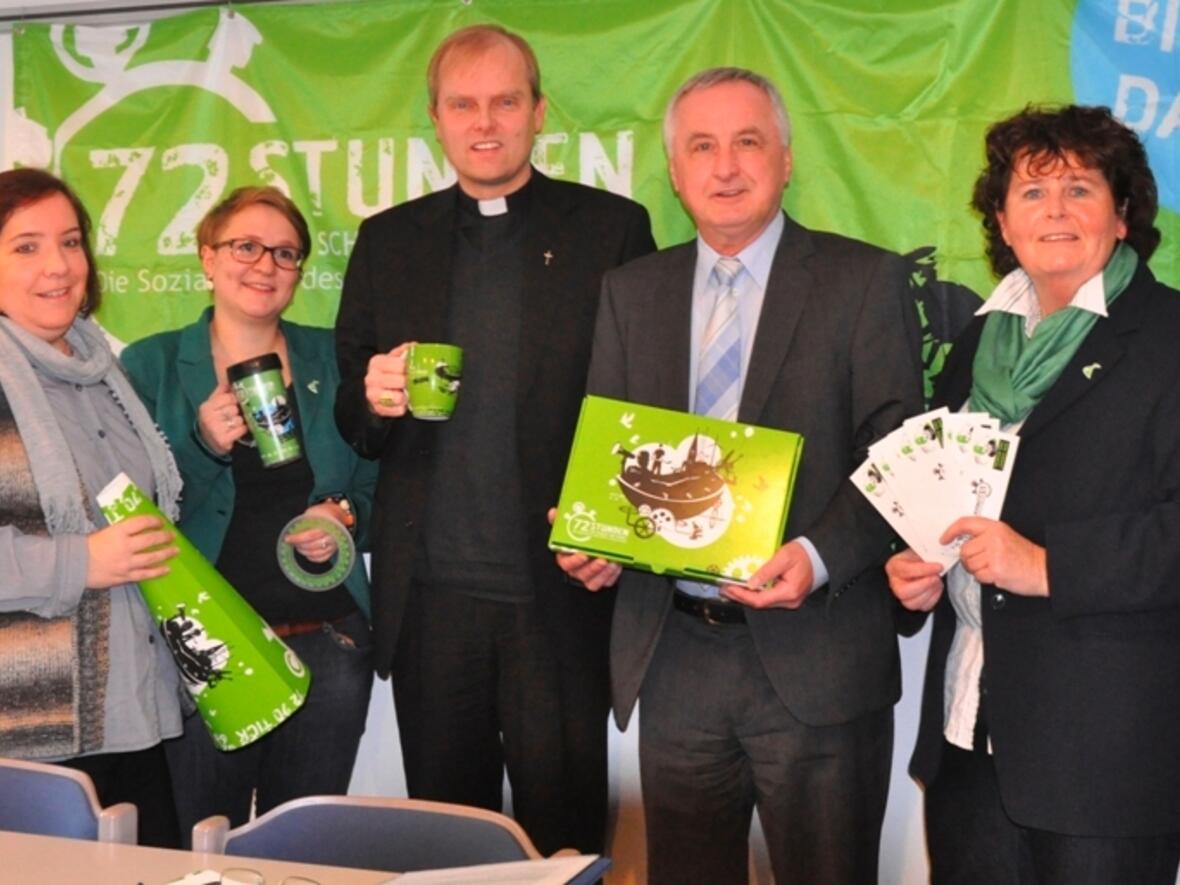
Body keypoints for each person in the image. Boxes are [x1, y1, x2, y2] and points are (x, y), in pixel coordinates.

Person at [558, 67, 923, 884]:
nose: (726, 166)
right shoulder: (630, 293)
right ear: (677, 174)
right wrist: (598, 534)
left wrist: (820, 555)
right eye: (702, 147)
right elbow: (619, 453)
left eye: (747, 142)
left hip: (819, 653)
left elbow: (896, 453)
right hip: (677, 656)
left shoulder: (864, 281)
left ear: (786, 159)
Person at [333, 24, 655, 855]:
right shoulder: (386, 240)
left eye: (506, 101)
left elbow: (647, 403)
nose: (486, 122)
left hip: (560, 593)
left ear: (539, 112)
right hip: (431, 603)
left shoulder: (611, 229)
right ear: (435, 119)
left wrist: (615, 533)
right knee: (451, 846)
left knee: (569, 845)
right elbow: (350, 413)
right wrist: (373, 396)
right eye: (463, 104)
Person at [886, 105, 1180, 884]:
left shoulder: (1171, 339)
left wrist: (1049, 565)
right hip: (967, 739)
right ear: (1002, 224)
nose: (1054, 211)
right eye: (1031, 193)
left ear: (1122, 217)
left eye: (1079, 190)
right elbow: (939, 489)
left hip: (1104, 761)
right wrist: (916, 570)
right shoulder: (976, 348)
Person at [122, 186, 377, 844]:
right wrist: (202, 446)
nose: (265, 264)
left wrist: (344, 515)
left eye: (285, 253)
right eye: (246, 246)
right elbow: (133, 506)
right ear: (208, 257)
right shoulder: (149, 364)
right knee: (200, 845)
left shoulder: (334, 358)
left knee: (306, 852)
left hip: (327, 646)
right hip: (208, 652)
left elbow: (381, 487)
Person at [0, 168, 184, 847]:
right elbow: (97, 553)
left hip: (132, 713)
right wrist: (83, 560)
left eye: (70, 241)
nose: (57, 265)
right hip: (28, 736)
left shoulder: (103, 371)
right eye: (25, 246)